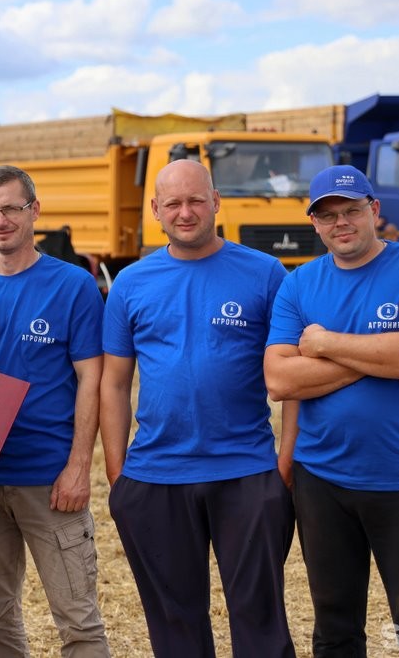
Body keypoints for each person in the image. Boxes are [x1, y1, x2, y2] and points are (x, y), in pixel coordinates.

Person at [100, 159, 296, 657]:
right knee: (175, 624)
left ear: (216, 201)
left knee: (260, 621)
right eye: (173, 203)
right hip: (156, 474)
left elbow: (292, 379)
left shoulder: (266, 274)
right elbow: (115, 382)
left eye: (195, 200)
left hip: (247, 471)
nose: (185, 212)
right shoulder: (130, 283)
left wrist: (284, 465)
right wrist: (119, 474)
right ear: (156, 211)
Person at [264, 165, 399, 657]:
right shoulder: (299, 284)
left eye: (351, 210)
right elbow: (280, 380)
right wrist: (381, 355)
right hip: (321, 481)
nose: (341, 223)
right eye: (327, 215)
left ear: (374, 210)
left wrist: (326, 344)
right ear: (314, 224)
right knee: (334, 630)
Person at [0, 165, 110, 657]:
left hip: (49, 482)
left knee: (78, 621)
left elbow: (92, 377)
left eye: (10, 208)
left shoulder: (73, 286)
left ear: (34, 211)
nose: (0, 221)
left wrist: (78, 467)